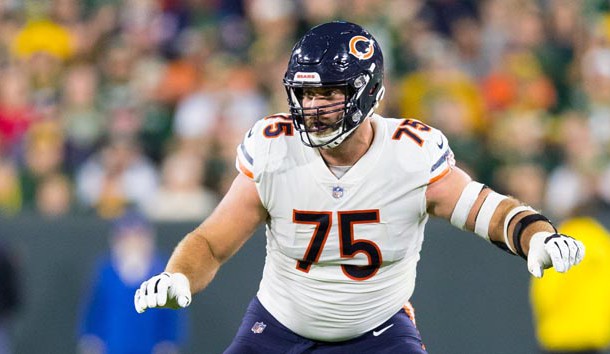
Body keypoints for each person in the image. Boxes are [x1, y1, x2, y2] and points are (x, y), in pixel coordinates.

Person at [134, 21, 585, 353]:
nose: (312, 107)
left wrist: (536, 235)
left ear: (366, 93)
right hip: (277, 329)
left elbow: (485, 210)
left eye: (327, 93)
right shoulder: (275, 148)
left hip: (380, 334)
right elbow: (212, 243)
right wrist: (180, 276)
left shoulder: (409, 153)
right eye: (305, 94)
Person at [79, 210, 186, 354]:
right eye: (126, 237)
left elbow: (172, 319)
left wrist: (168, 343)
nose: (132, 242)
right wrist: (91, 340)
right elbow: (94, 311)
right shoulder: (105, 271)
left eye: (138, 236)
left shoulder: (163, 273)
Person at [530, 215, 610, 354]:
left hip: (558, 340)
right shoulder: (601, 239)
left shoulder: (556, 242)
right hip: (592, 340)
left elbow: (544, 293)